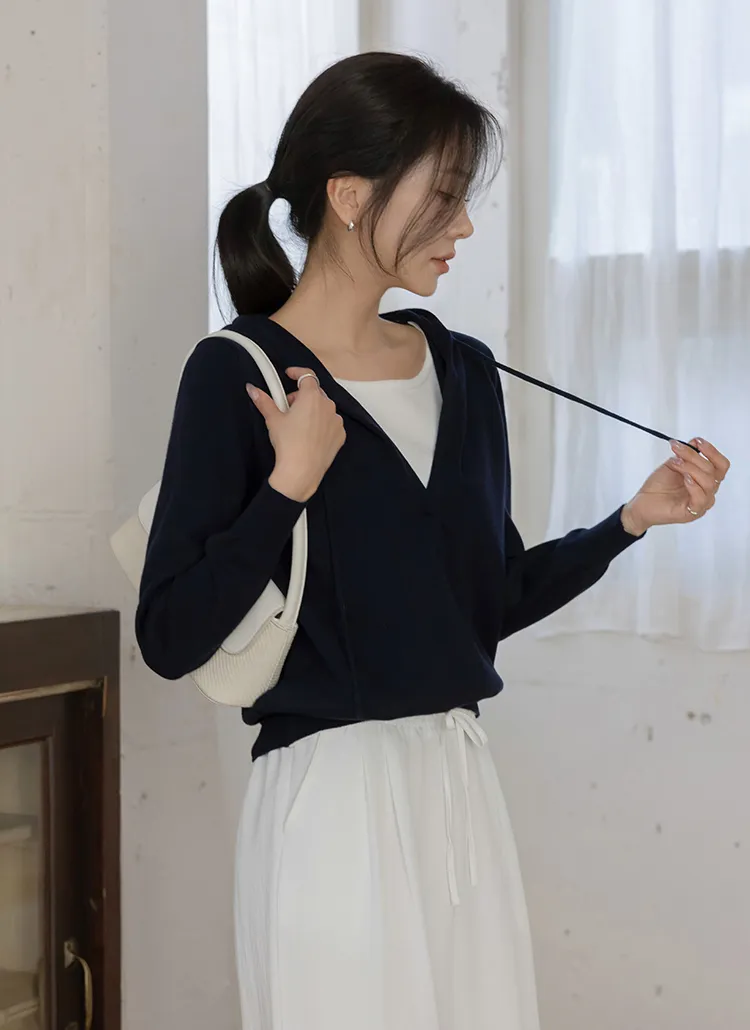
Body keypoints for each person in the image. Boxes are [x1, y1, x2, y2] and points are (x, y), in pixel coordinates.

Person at [134, 51, 730, 1030]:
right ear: (350, 196)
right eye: (445, 196)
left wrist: (628, 523)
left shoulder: (463, 370)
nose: (464, 226)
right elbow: (168, 635)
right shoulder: (235, 375)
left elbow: (486, 599)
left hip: (458, 788)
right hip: (326, 802)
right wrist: (287, 485)